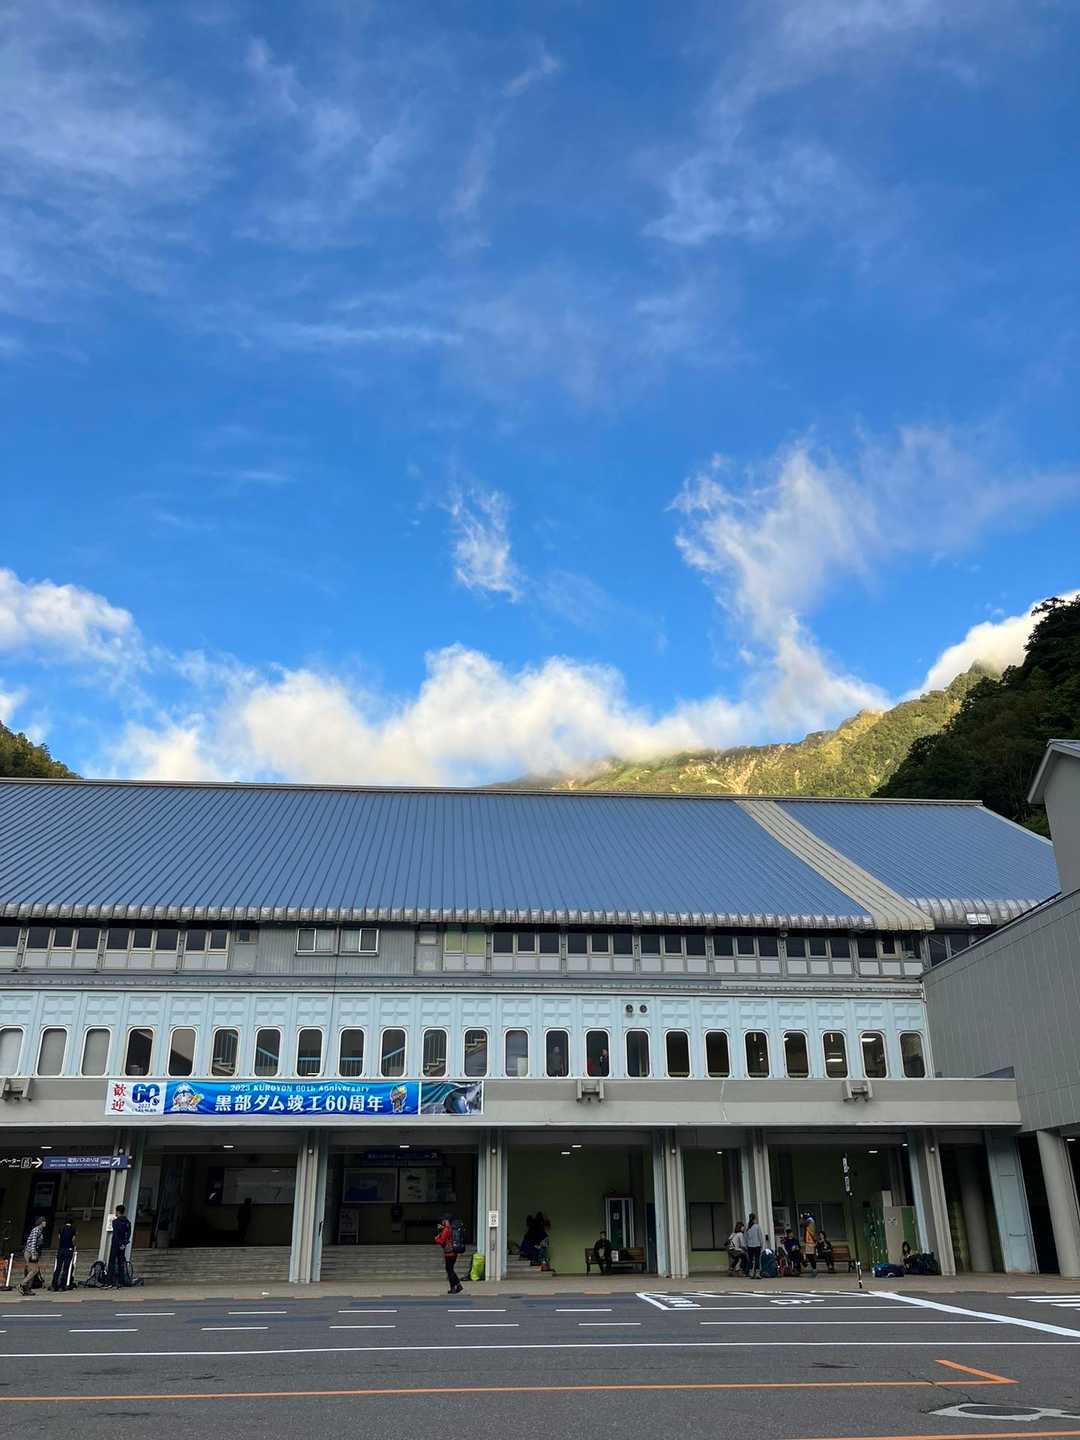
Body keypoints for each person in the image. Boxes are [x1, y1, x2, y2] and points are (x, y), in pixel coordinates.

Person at [106, 1203, 132, 1288]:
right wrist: (124, 1243)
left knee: (112, 1262)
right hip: (122, 1246)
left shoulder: (115, 1222)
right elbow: (128, 1234)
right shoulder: (127, 1222)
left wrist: (120, 1243)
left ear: (117, 1212)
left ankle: (110, 1281)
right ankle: (121, 1281)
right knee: (121, 1262)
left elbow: (116, 1234)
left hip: (115, 1244)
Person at [19, 1216, 47, 1296]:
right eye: (44, 1221)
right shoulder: (36, 1230)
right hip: (30, 1252)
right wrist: (33, 1253)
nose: (45, 1223)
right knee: (34, 1270)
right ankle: (22, 1284)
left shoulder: (40, 1231)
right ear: (41, 1222)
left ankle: (27, 1289)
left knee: (31, 1271)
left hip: (33, 1252)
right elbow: (33, 1243)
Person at [434, 1215, 462, 1294]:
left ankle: (453, 1288)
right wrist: (441, 1230)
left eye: (443, 1220)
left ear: (446, 1221)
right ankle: (458, 1285)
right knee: (450, 1269)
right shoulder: (450, 1228)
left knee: (449, 1270)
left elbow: (441, 1241)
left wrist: (436, 1238)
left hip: (449, 1253)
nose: (442, 1222)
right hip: (454, 1252)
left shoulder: (446, 1229)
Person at [51, 1220, 77, 1292]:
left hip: (61, 1249)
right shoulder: (73, 1229)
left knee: (58, 1268)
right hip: (68, 1249)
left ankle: (54, 1285)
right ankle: (62, 1286)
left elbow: (59, 1237)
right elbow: (73, 1239)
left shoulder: (61, 1228)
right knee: (66, 1268)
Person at [745, 1213, 764, 1278]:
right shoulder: (757, 1226)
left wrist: (746, 1245)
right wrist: (761, 1244)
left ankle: (751, 1273)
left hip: (749, 1246)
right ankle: (757, 1273)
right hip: (757, 1245)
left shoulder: (748, 1227)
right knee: (757, 1259)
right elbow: (760, 1236)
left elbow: (746, 1237)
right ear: (754, 1219)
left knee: (750, 1259)